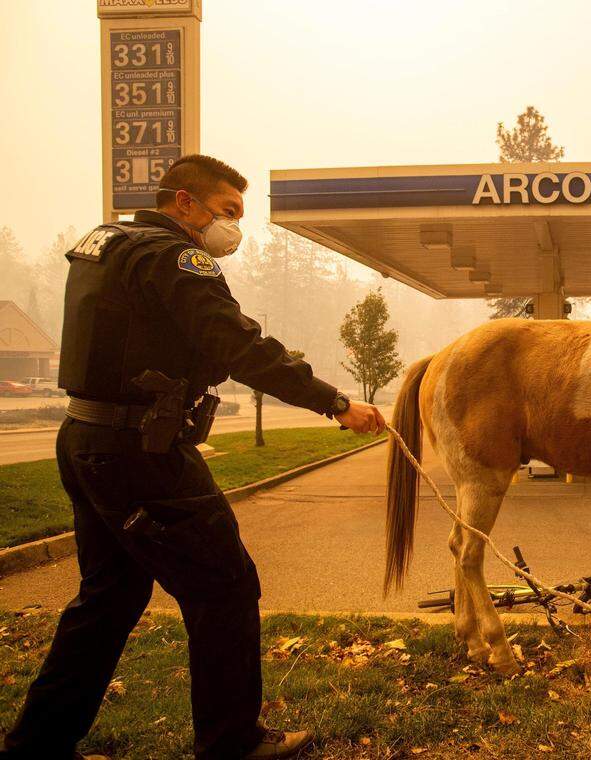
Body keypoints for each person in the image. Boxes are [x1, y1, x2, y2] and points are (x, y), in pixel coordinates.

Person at [0, 154, 386, 760]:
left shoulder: (106, 243)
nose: (232, 226)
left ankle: (36, 744)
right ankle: (233, 742)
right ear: (185, 202)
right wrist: (333, 401)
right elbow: (234, 343)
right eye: (227, 211)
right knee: (224, 586)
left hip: (86, 439)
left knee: (109, 597)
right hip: (143, 450)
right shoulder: (174, 255)